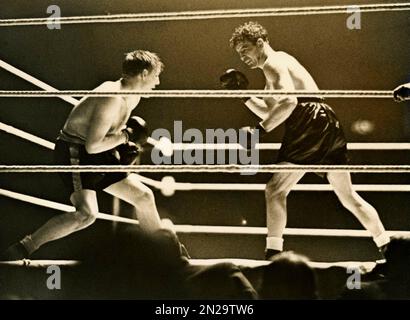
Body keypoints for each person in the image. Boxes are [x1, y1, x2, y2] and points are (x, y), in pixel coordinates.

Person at [221, 21, 390, 260]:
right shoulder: (279, 65)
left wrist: (258, 131)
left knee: (275, 189)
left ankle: (273, 257)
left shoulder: (273, 63)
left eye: (245, 49)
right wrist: (243, 95)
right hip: (326, 120)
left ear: (260, 43)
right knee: (348, 196)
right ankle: (388, 248)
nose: (243, 58)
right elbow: (275, 110)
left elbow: (289, 104)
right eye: (239, 54)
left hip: (308, 121)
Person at [2, 50, 165, 260]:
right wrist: (125, 138)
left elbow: (109, 135)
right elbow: (93, 146)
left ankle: (166, 255)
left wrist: (122, 144)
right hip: (75, 151)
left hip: (94, 151)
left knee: (144, 197)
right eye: (155, 75)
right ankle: (22, 249)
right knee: (86, 214)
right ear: (143, 74)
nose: (158, 82)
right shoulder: (112, 97)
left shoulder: (133, 97)